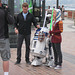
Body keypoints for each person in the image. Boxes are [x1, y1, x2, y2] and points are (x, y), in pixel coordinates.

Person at [0, 0, 14, 75]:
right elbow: (11, 21)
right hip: (3, 38)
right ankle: (6, 74)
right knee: (5, 58)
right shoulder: (4, 11)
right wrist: (8, 12)